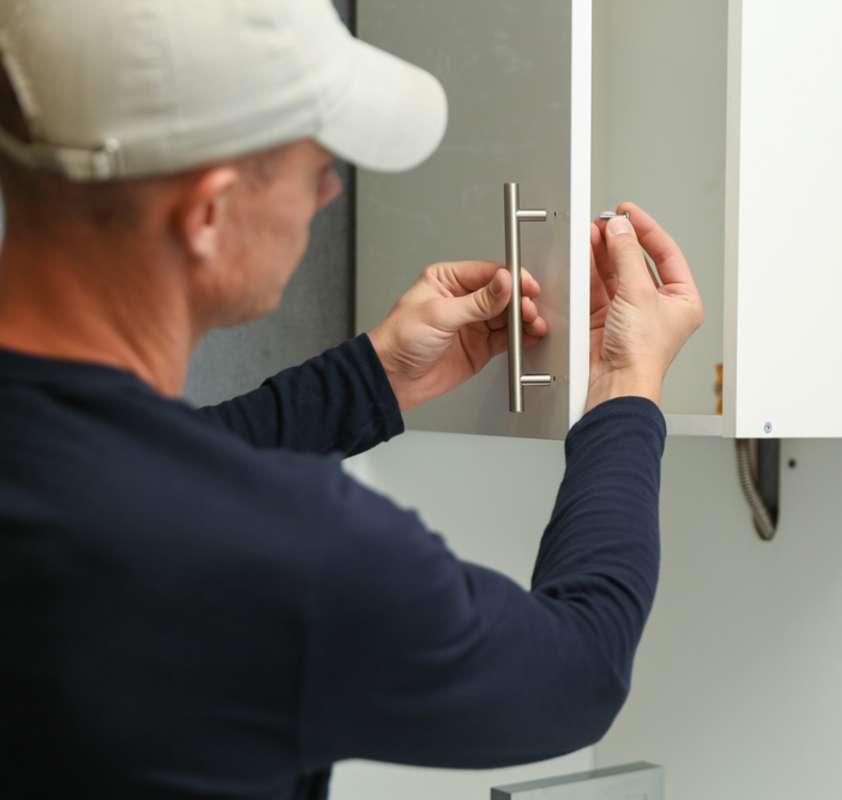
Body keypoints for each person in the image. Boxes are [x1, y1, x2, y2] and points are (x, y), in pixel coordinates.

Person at [0, 1, 703, 798]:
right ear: (209, 214)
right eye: (315, 168)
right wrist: (624, 390)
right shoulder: (279, 556)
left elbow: (120, 473)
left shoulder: (77, 494)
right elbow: (578, 670)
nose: (327, 193)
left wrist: (371, 379)